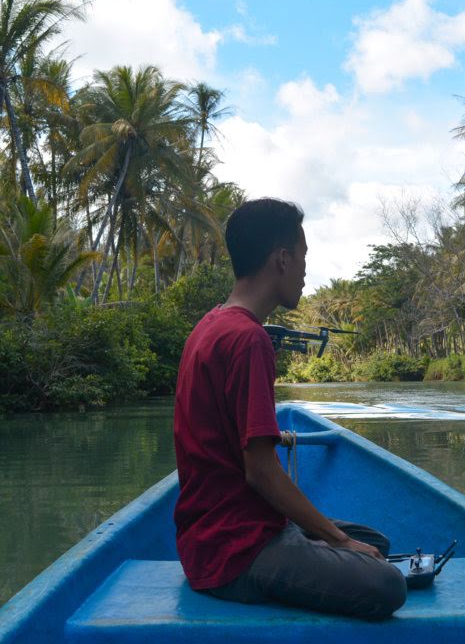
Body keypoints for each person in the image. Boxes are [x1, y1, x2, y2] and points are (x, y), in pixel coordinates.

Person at [172, 198, 405, 621]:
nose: (304, 270)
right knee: (387, 582)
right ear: (281, 259)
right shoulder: (248, 340)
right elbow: (260, 472)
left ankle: (320, 547)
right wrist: (338, 540)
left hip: (208, 538)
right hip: (235, 552)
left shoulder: (210, 325)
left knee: (377, 544)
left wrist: (339, 540)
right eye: (302, 258)